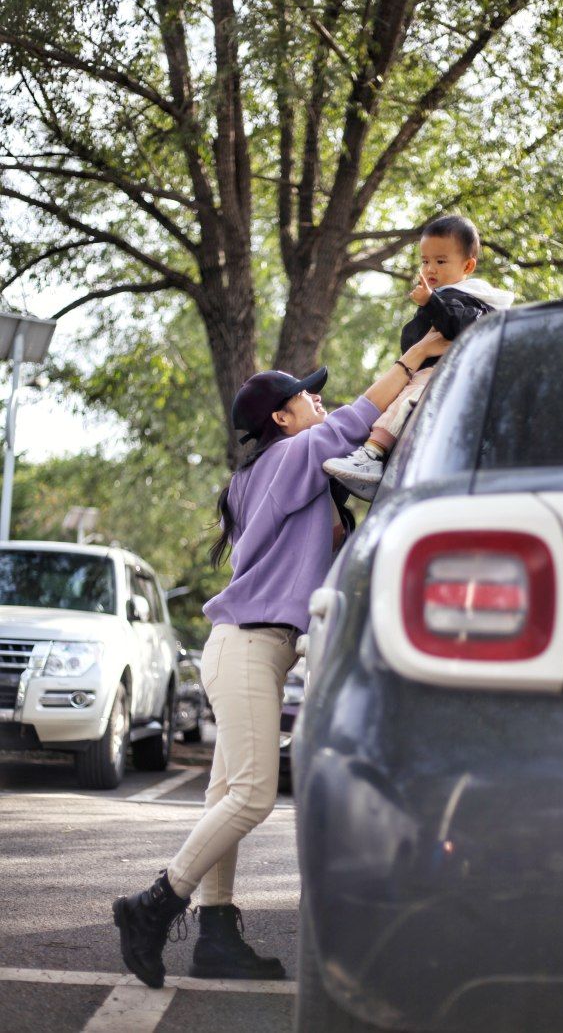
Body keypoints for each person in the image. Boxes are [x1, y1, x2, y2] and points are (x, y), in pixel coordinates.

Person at [111, 325, 450, 991]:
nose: (318, 405)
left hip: (256, 648)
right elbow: (358, 420)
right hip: (246, 644)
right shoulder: (289, 460)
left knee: (225, 798)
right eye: (306, 400)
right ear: (280, 418)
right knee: (254, 796)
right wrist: (415, 360)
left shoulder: (278, 477)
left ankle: (216, 936)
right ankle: (153, 906)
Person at [323, 214, 514, 497]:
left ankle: (373, 452)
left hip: (448, 374)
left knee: (406, 401)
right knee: (402, 399)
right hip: (431, 371)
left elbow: (460, 325)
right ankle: (385, 466)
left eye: (440, 261)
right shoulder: (446, 297)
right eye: (425, 261)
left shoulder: (472, 300)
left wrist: (431, 303)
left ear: (468, 265)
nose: (430, 269)